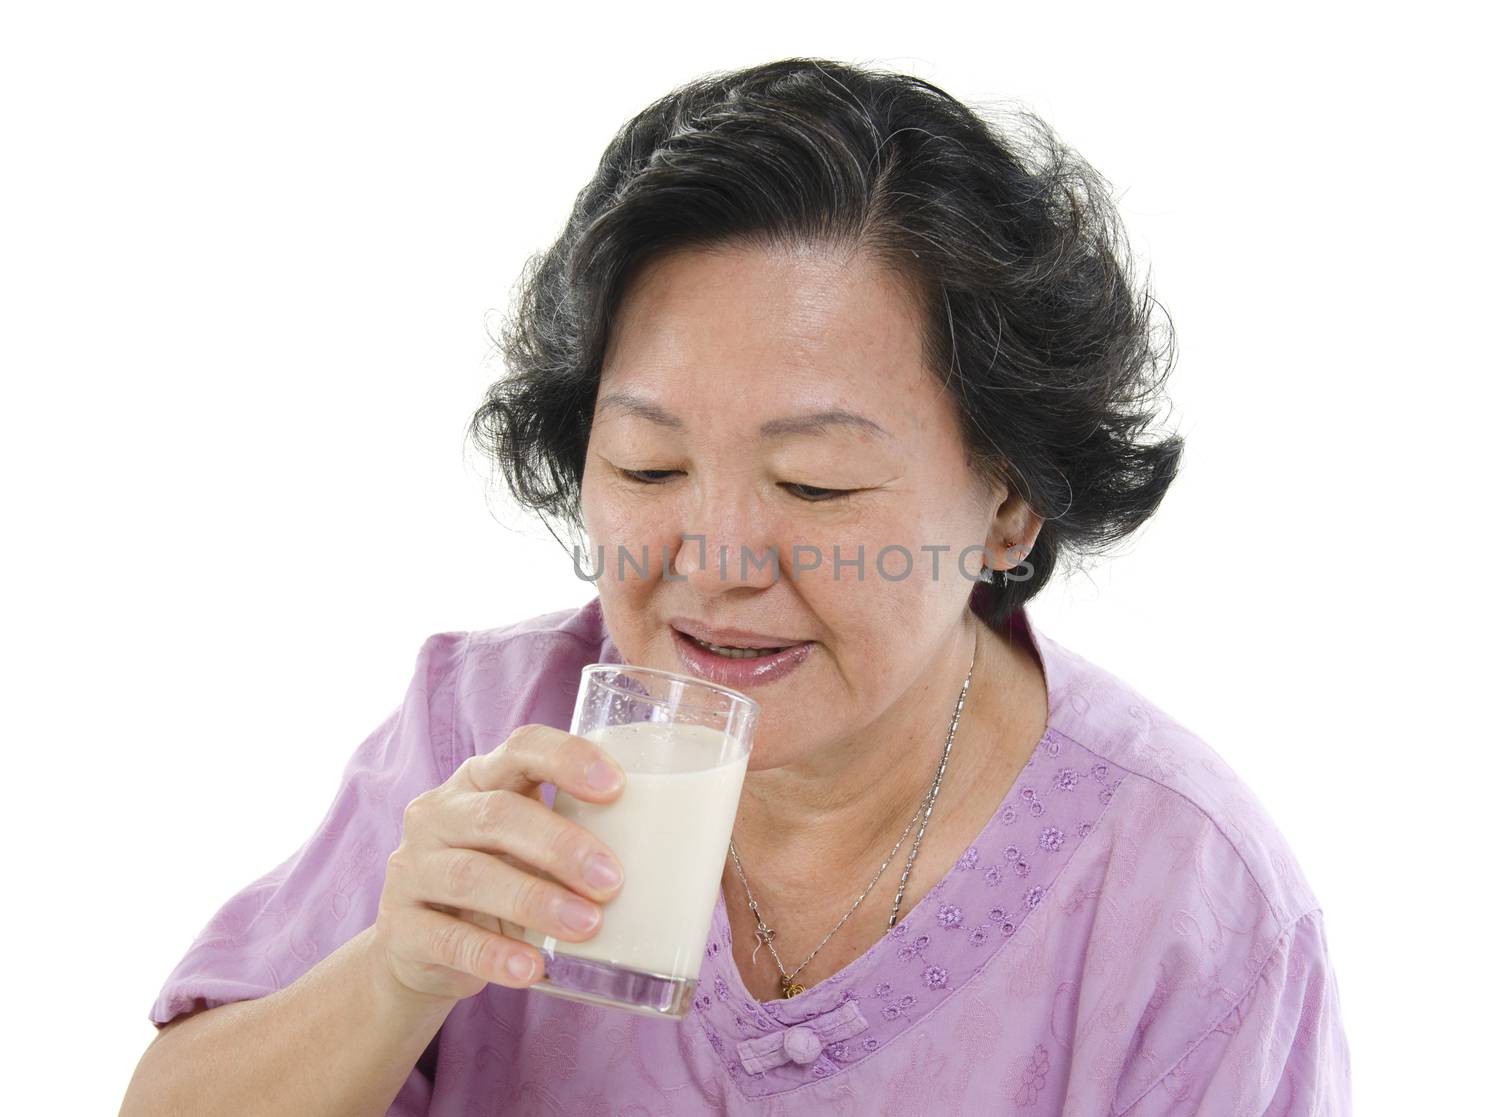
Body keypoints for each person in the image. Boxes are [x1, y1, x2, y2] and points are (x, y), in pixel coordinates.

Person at [121, 57, 1352, 1115]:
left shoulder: (1186, 901)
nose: (710, 563)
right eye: (647, 464)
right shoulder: (490, 726)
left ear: (1009, 500)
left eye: (814, 486)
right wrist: (397, 972)